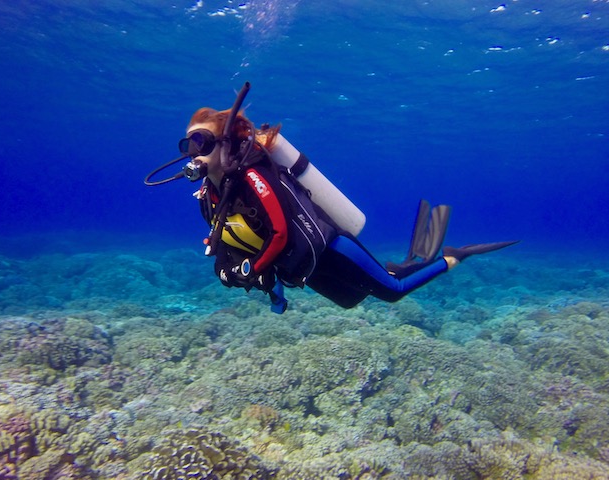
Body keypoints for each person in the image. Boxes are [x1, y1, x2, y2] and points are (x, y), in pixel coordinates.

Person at [145, 82, 517, 313]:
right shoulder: (211, 195)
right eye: (187, 144)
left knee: (392, 292)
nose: (191, 152)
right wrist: (229, 269)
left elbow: (277, 234)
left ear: (223, 144)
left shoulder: (253, 177)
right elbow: (227, 238)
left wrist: (255, 270)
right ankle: (409, 260)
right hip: (304, 266)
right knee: (355, 299)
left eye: (200, 142)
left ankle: (454, 256)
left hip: (331, 247)